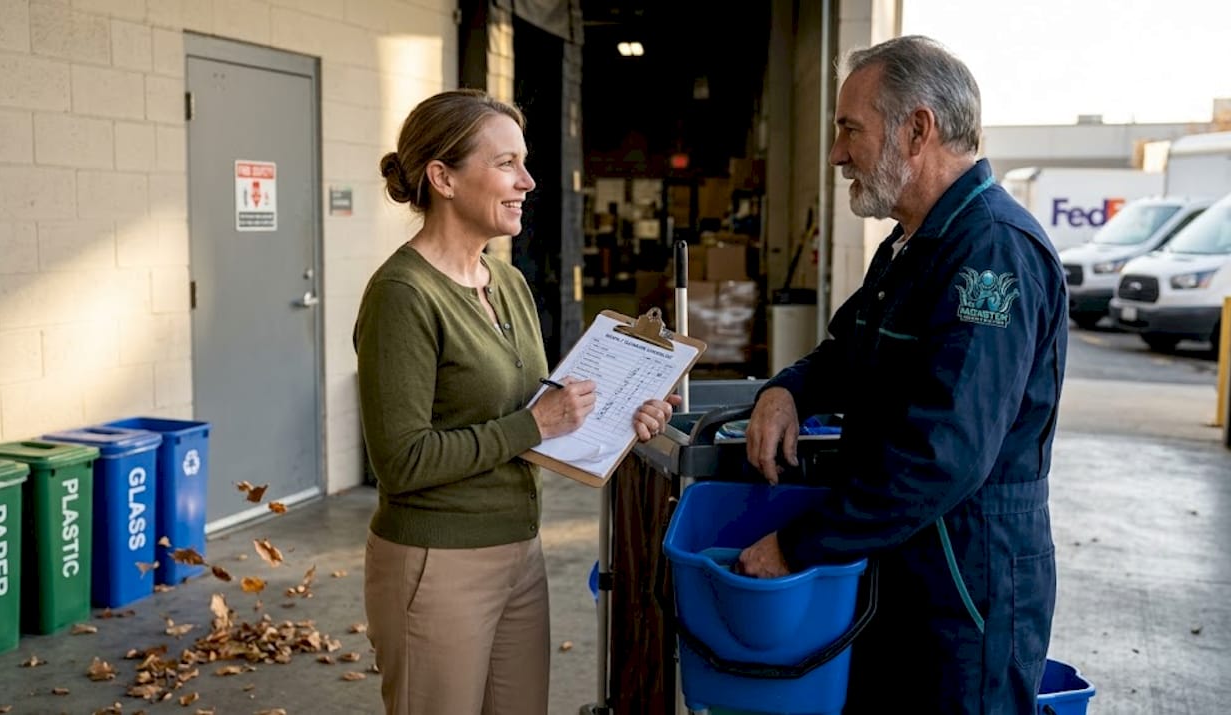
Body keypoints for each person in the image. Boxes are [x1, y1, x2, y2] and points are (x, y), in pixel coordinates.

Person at [738, 36, 1068, 714]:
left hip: (965, 581)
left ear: (917, 129)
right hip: (900, 564)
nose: (836, 153)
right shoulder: (913, 241)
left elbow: (943, 455)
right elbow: (846, 350)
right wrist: (789, 388)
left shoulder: (992, 254)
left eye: (849, 129)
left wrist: (800, 547)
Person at [353, 89, 679, 715]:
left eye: (524, 162)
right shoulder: (403, 294)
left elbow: (538, 411)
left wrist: (622, 416)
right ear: (443, 177)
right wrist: (534, 424)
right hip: (436, 563)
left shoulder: (506, 282)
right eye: (506, 163)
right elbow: (403, 460)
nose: (528, 181)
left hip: (520, 552)